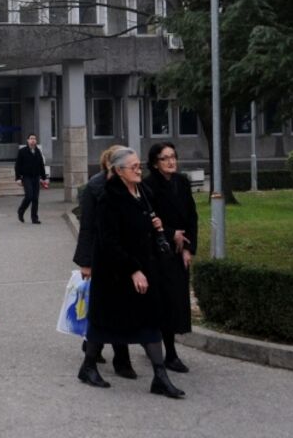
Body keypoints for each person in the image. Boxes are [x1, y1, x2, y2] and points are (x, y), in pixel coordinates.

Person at [78, 145, 185, 399]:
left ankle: (160, 377)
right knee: (104, 324)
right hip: (115, 273)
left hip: (143, 267)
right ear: (119, 171)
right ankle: (88, 366)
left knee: (150, 323)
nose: (139, 170)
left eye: (139, 166)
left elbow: (142, 225)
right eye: (134, 167)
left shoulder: (142, 191)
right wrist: (133, 270)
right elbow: (109, 242)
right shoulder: (109, 198)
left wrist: (156, 225)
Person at [73, 147, 136, 381]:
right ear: (113, 165)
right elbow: (87, 226)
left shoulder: (131, 186)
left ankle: (118, 357)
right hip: (101, 256)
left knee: (119, 309)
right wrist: (86, 262)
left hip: (122, 255)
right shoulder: (95, 186)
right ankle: (105, 356)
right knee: (105, 308)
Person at [145, 141, 197, 374]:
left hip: (179, 251)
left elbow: (192, 216)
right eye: (165, 158)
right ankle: (169, 353)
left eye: (173, 156)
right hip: (159, 252)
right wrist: (169, 233)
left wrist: (188, 248)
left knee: (177, 302)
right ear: (155, 163)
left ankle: (158, 345)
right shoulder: (148, 186)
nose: (170, 161)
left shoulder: (182, 182)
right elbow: (147, 218)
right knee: (164, 302)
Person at [14, 133, 48, 223]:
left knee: (35, 198)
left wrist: (44, 177)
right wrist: (18, 178)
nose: (33, 140)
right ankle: (21, 210)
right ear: (28, 140)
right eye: (31, 139)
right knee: (29, 196)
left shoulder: (38, 151)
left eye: (34, 139)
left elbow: (41, 165)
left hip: (36, 177)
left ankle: (34, 218)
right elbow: (17, 166)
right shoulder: (22, 151)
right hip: (26, 177)